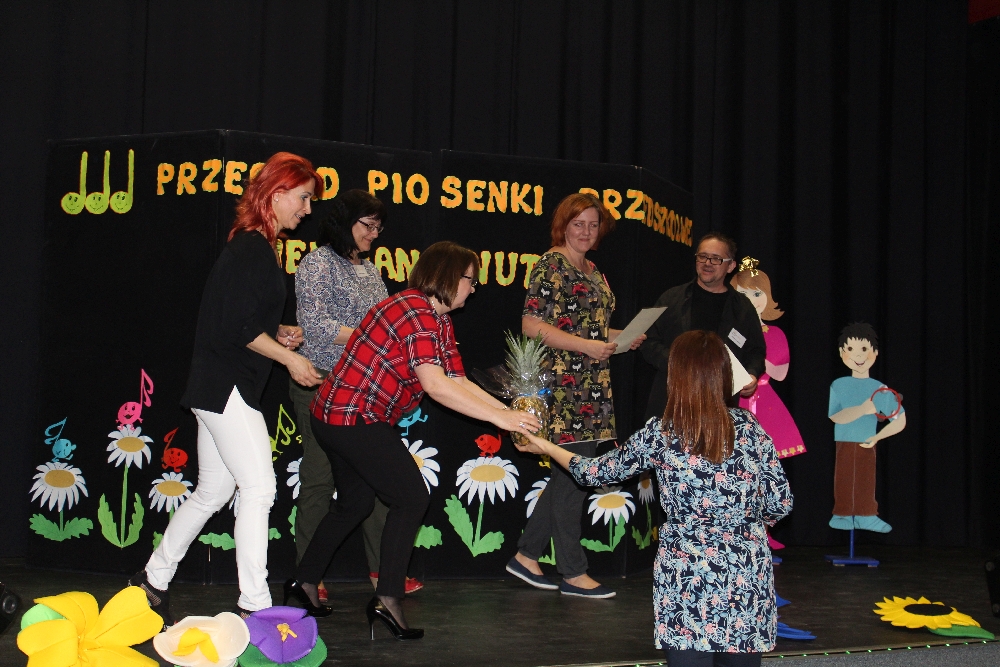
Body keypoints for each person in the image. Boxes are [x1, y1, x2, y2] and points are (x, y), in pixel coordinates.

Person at [285, 241, 541, 640]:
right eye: (470, 280)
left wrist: (510, 417)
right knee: (411, 498)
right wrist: (502, 418)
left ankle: (302, 582)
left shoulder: (436, 320)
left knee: (355, 503)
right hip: (351, 416)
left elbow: (458, 381)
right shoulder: (416, 312)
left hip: (337, 414)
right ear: (449, 277)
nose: (473, 289)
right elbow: (436, 386)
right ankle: (386, 599)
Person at [514, 330, 793, 667]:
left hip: (685, 576)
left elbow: (592, 473)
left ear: (677, 377)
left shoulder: (662, 433)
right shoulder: (750, 428)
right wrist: (741, 523)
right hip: (746, 575)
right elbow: (781, 503)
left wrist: (543, 445)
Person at [131, 152, 325, 627]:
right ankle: (254, 604)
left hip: (216, 387)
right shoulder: (252, 249)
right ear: (276, 195)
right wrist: (290, 358)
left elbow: (239, 321)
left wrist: (278, 333)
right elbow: (238, 328)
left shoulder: (256, 247)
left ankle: (152, 580)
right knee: (259, 488)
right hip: (226, 387)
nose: (307, 209)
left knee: (213, 491)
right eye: (303, 198)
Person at [507, 192, 644, 599]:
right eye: (578, 223)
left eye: (593, 225)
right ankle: (572, 572)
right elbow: (531, 324)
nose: (586, 231)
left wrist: (623, 338)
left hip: (592, 385)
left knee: (569, 475)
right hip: (564, 387)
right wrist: (587, 346)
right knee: (574, 476)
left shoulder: (593, 269)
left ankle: (526, 556)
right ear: (563, 226)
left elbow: (589, 327)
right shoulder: (551, 264)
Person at [290, 190, 422, 600]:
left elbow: (390, 323)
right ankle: (308, 575)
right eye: (368, 225)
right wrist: (373, 337)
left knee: (378, 481)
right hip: (319, 382)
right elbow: (316, 325)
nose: (374, 234)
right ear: (344, 222)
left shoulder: (371, 271)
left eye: (379, 227)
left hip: (365, 390)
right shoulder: (316, 263)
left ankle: (385, 572)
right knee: (319, 479)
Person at [641, 232, 765, 419]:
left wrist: (752, 374)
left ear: (731, 266)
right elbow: (648, 341)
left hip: (720, 408)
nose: (707, 263)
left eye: (716, 259)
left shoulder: (743, 308)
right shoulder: (671, 298)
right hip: (671, 403)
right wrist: (680, 364)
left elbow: (756, 351)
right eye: (702, 256)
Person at [828, 322, 906, 533]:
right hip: (844, 441)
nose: (858, 355)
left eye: (864, 349)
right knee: (844, 477)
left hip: (866, 441)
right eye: (850, 349)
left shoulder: (879, 388)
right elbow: (836, 416)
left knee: (865, 478)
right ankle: (841, 514)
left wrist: (877, 437)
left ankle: (867, 516)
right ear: (842, 353)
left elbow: (900, 420)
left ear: (875, 353)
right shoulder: (839, 385)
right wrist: (863, 409)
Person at [733, 257, 806, 460]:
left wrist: (756, 359)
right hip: (733, 400)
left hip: (764, 400)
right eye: (742, 294)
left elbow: (781, 374)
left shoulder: (775, 333)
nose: (750, 299)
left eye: (757, 293)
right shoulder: (730, 332)